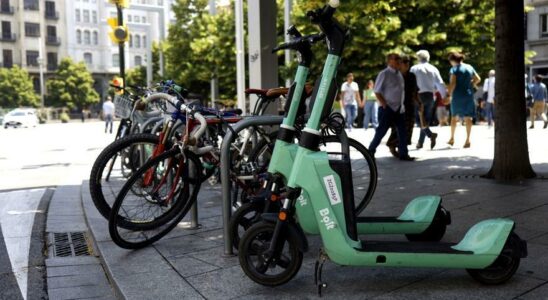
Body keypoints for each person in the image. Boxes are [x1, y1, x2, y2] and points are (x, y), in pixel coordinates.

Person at [368, 53, 414, 161]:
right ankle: (370, 150)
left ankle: (403, 154)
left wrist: (402, 106)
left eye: (399, 58)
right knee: (381, 131)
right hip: (387, 108)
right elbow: (377, 91)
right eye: (396, 59)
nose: (399, 60)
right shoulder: (384, 74)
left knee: (402, 131)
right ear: (389, 61)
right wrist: (384, 104)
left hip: (399, 108)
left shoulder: (399, 74)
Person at [386, 55, 420, 157]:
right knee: (397, 128)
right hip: (397, 105)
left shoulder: (412, 76)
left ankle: (402, 150)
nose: (406, 64)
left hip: (409, 105)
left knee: (409, 127)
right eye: (404, 62)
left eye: (408, 62)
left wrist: (419, 102)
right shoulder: (395, 75)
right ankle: (393, 145)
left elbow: (415, 91)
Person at [410, 49, 445, 150]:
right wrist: (444, 96)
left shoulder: (414, 68)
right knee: (425, 119)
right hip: (430, 96)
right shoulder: (433, 68)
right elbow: (440, 83)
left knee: (418, 119)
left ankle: (429, 135)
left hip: (418, 95)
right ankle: (421, 142)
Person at [446, 51, 481, 148]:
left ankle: (452, 138)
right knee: (468, 117)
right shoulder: (469, 67)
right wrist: (471, 84)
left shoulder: (454, 69)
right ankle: (468, 140)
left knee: (454, 117)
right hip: (468, 95)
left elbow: (452, 83)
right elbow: (478, 78)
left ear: (453, 60)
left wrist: (448, 94)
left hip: (457, 95)